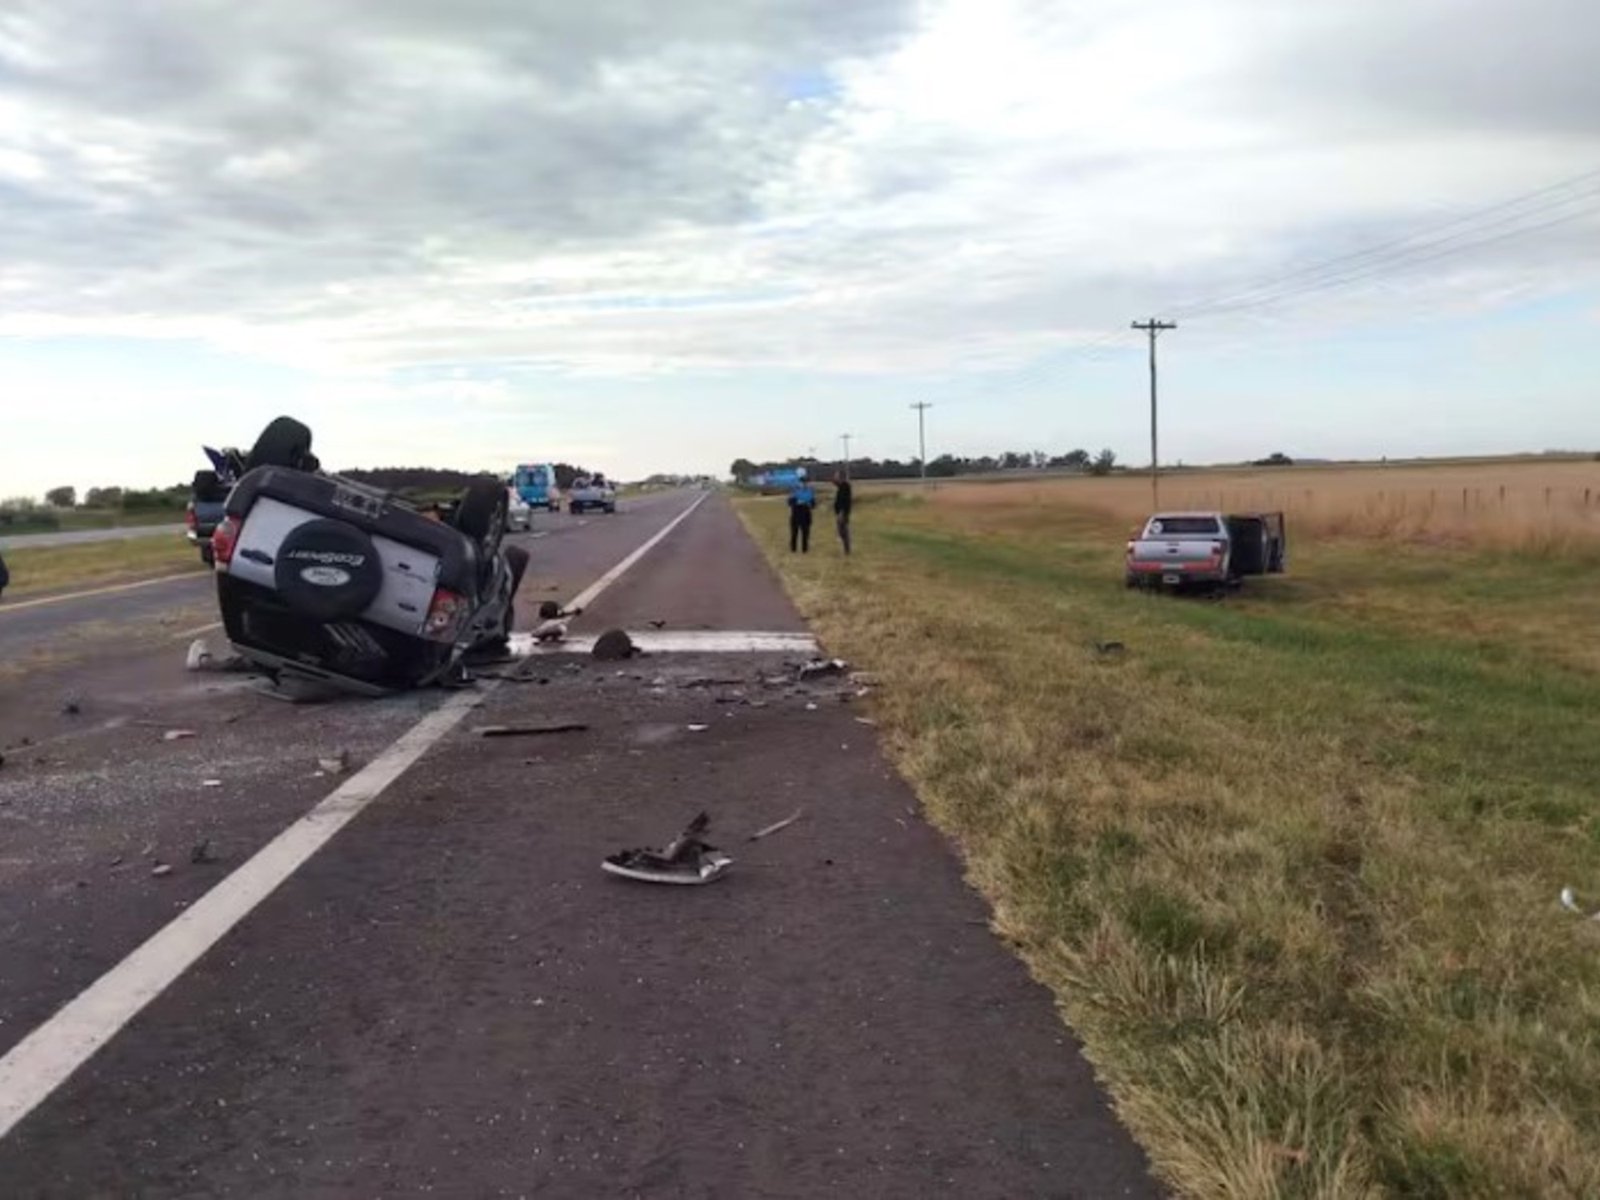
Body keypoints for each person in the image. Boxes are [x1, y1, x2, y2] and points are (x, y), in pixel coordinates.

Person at [787, 472, 816, 553]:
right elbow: (789, 503)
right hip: (796, 514)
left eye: (806, 482)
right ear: (799, 483)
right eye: (803, 482)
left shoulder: (810, 492)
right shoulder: (795, 491)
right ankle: (793, 549)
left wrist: (810, 504)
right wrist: (798, 502)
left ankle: (805, 549)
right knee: (794, 533)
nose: (804, 484)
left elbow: (813, 505)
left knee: (806, 534)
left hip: (806, 515)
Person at [833, 471, 853, 555]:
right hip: (840, 511)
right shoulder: (842, 486)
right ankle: (846, 548)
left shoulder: (845, 486)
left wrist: (842, 512)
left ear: (841, 477)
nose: (835, 477)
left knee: (843, 530)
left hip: (843, 512)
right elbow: (836, 483)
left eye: (837, 476)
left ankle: (847, 549)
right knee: (841, 530)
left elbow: (844, 501)